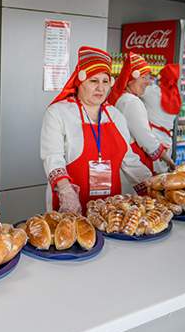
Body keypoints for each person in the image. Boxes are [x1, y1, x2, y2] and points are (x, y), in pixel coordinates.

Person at [40, 46, 152, 213]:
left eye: (105, 81)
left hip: (110, 210)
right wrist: (65, 190)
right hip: (71, 206)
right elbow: (52, 156)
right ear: (80, 81)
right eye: (93, 81)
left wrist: (154, 187)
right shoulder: (58, 112)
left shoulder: (116, 116)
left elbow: (129, 161)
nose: (100, 88)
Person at [107, 53, 175, 174]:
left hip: (122, 161)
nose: (148, 82)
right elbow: (146, 139)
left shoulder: (121, 98)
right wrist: (168, 160)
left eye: (148, 78)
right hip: (133, 163)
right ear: (130, 80)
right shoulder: (131, 101)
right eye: (143, 78)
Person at [142, 63, 182, 173]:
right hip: (168, 140)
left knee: (151, 178)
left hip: (154, 140)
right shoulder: (176, 96)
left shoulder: (152, 92)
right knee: (163, 176)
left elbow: (135, 89)